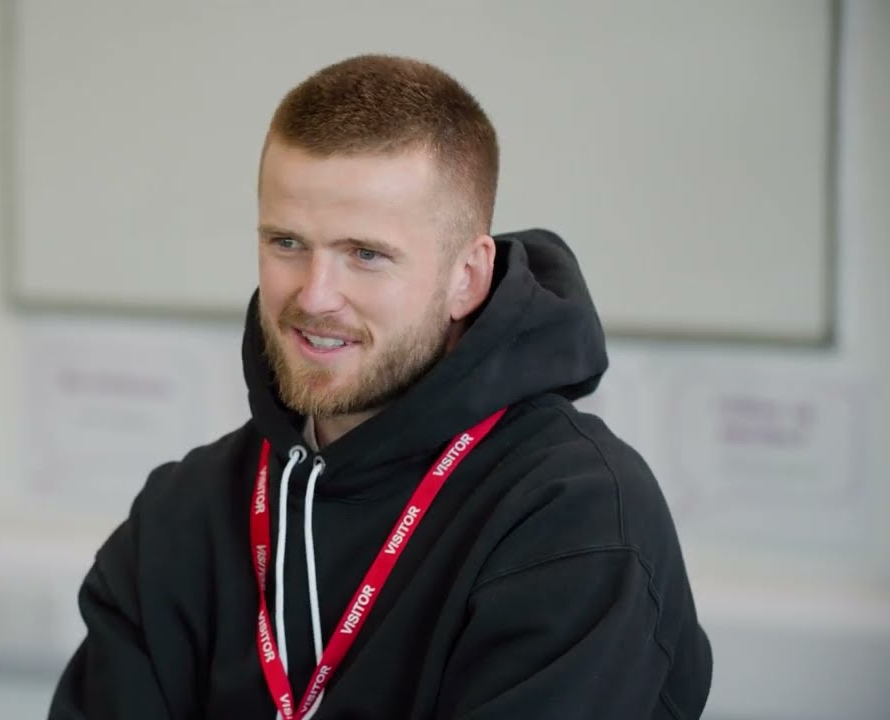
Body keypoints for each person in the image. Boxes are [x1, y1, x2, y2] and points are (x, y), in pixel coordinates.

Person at [48, 54, 713, 719]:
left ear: (468, 277)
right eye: (286, 242)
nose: (315, 295)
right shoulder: (181, 514)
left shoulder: (578, 516)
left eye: (365, 254)